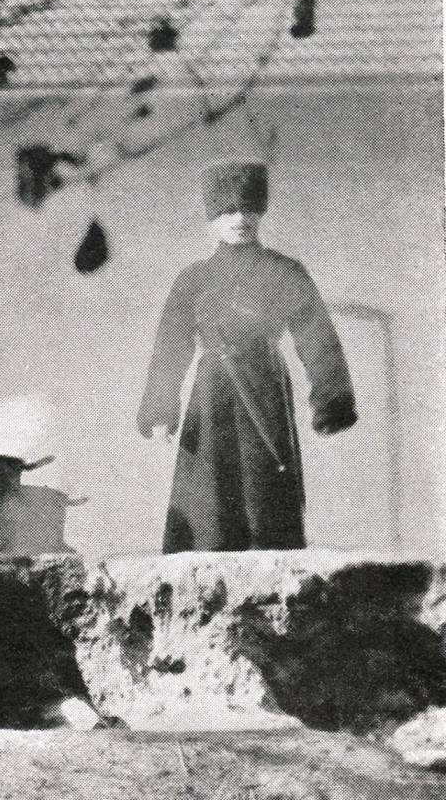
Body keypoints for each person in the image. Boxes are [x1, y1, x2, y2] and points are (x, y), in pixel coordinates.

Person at [137, 160, 357, 553]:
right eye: (227, 210)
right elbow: (171, 345)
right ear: (211, 220)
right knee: (208, 505)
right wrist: (160, 408)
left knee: (266, 499)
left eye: (248, 209)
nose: (239, 219)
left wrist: (331, 400)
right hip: (211, 396)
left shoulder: (285, 272)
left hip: (265, 389)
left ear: (260, 212)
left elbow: (317, 336)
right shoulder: (193, 279)